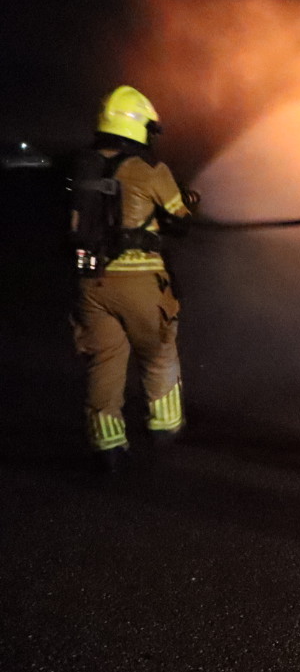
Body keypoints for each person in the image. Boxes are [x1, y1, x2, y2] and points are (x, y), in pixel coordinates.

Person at [69, 85, 196, 473]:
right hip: (140, 282)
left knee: (104, 362)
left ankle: (107, 446)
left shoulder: (82, 168)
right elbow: (180, 220)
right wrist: (189, 203)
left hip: (91, 283)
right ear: (139, 127)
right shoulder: (149, 170)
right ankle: (165, 428)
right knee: (158, 353)